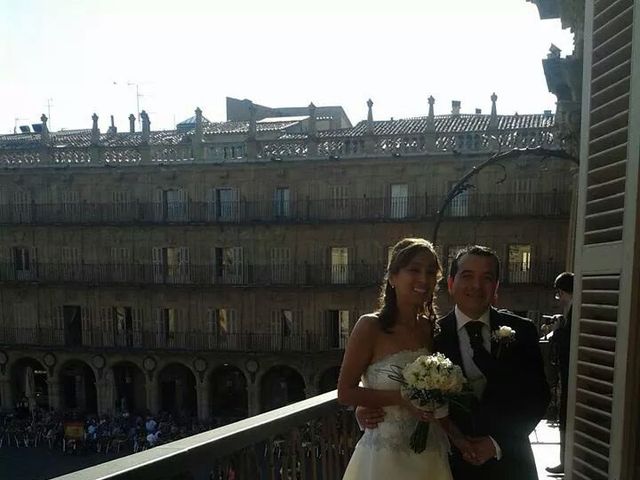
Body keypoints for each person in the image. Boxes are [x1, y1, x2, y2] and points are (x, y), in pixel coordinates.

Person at [358, 245, 550, 479]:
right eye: (467, 276)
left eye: (487, 278)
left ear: (496, 286)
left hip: (511, 462)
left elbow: (537, 397)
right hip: (449, 464)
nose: (476, 286)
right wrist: (361, 407)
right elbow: (395, 375)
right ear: (450, 283)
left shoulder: (523, 330)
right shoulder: (430, 334)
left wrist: (496, 443)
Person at [338, 238, 470, 480]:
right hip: (384, 458)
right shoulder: (370, 326)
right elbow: (345, 392)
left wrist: (459, 440)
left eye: (431, 272)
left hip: (429, 454)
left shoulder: (431, 329)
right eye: (414, 270)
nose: (424, 279)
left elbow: (438, 399)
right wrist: (400, 399)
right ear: (392, 277)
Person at [544, 272, 574, 475]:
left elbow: (570, 340)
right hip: (569, 373)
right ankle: (566, 461)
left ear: (562, 291)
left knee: (568, 417)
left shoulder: (576, 309)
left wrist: (557, 330)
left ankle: (567, 462)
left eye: (559, 294)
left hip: (571, 373)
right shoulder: (572, 310)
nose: (559, 298)